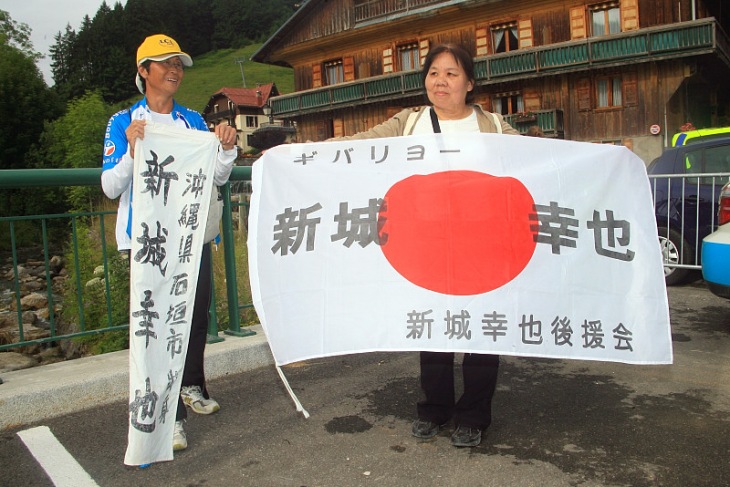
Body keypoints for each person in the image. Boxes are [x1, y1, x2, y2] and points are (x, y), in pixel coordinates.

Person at [329, 43, 519, 447]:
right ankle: (434, 409)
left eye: (451, 73)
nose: (440, 81)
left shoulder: (496, 127)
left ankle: (474, 416)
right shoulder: (408, 123)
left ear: (470, 82)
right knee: (433, 328)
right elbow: (360, 145)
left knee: (482, 331)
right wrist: (298, 155)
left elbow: (541, 160)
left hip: (482, 246)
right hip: (427, 243)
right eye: (433, 72)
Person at [100, 34, 238, 452]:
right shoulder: (123, 121)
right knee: (155, 329)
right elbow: (109, 186)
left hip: (189, 240)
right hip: (148, 247)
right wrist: (130, 150)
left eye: (178, 63)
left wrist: (228, 149)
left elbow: (215, 176)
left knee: (194, 316)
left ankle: (191, 385)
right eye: (164, 63)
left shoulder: (193, 121)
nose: (175, 70)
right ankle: (166, 416)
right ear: (144, 72)